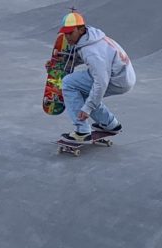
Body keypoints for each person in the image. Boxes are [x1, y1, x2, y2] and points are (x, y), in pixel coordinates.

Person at [54, 10, 137, 146]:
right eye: (65, 33)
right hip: (124, 76)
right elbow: (87, 60)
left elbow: (101, 82)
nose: (67, 37)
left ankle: (82, 132)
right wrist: (62, 62)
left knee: (69, 83)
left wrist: (87, 108)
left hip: (115, 80)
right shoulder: (91, 36)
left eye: (70, 33)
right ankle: (110, 124)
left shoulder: (92, 51)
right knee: (83, 89)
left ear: (80, 30)